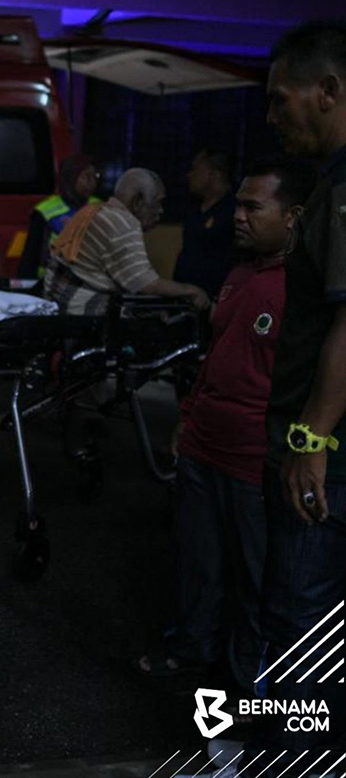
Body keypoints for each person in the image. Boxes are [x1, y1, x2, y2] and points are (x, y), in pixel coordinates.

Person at [135, 160, 316, 692]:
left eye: (252, 207)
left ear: (293, 217)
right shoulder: (240, 275)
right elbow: (217, 356)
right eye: (237, 204)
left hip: (252, 459)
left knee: (256, 579)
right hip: (203, 448)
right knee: (199, 564)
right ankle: (194, 649)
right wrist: (187, 420)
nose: (237, 216)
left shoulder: (304, 290)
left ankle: (247, 686)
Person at [225, 22, 346, 776]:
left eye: (281, 100)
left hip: (326, 457)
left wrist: (310, 443)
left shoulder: (341, 187)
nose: (272, 117)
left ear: (329, 90)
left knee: (301, 627)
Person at [44, 167, 211, 315]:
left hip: (58, 301)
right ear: (137, 201)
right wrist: (192, 291)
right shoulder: (124, 223)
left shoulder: (98, 210)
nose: (160, 211)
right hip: (82, 311)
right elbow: (146, 284)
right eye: (158, 203)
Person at [19, 153, 102, 279]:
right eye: (85, 177)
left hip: (90, 281)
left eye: (95, 176)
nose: (92, 183)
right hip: (50, 281)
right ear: (71, 178)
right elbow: (31, 257)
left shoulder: (100, 208)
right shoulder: (46, 211)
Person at [173, 149, 238, 300]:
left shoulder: (234, 212)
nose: (189, 175)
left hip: (217, 300)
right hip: (185, 300)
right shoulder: (194, 211)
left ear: (213, 174)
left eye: (195, 170)